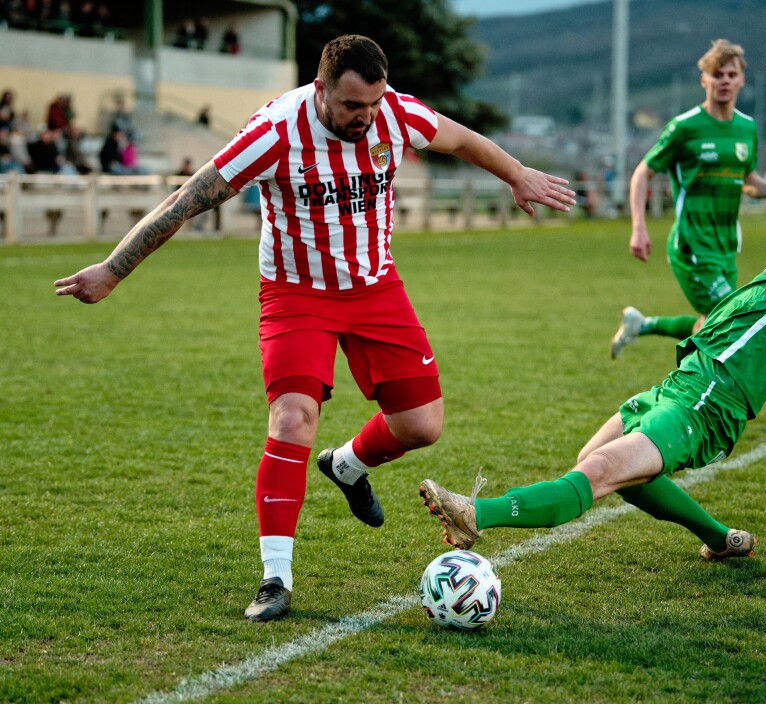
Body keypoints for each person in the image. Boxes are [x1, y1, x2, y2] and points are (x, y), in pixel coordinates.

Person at [53, 34, 575, 622]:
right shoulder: (275, 132)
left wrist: (517, 174)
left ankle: (347, 465)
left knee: (421, 426)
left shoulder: (395, 114)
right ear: (321, 89)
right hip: (296, 296)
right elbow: (186, 200)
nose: (367, 118)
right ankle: (276, 578)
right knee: (293, 418)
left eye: (374, 104)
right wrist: (113, 269)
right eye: (354, 106)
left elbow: (460, 139)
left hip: (376, 288)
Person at [421, 163, 766, 562]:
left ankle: (476, 514)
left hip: (715, 392)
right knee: (594, 457)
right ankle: (721, 539)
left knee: (600, 472)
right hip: (689, 378)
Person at [610, 39, 766, 359]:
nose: (725, 81)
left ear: (741, 80)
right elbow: (642, 174)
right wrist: (639, 227)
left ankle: (642, 325)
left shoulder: (747, 128)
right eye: (717, 74)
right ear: (704, 80)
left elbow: (746, 179)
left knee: (713, 322)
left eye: (731, 75)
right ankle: (685, 393)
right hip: (692, 244)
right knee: (733, 320)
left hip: (726, 246)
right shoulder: (684, 127)